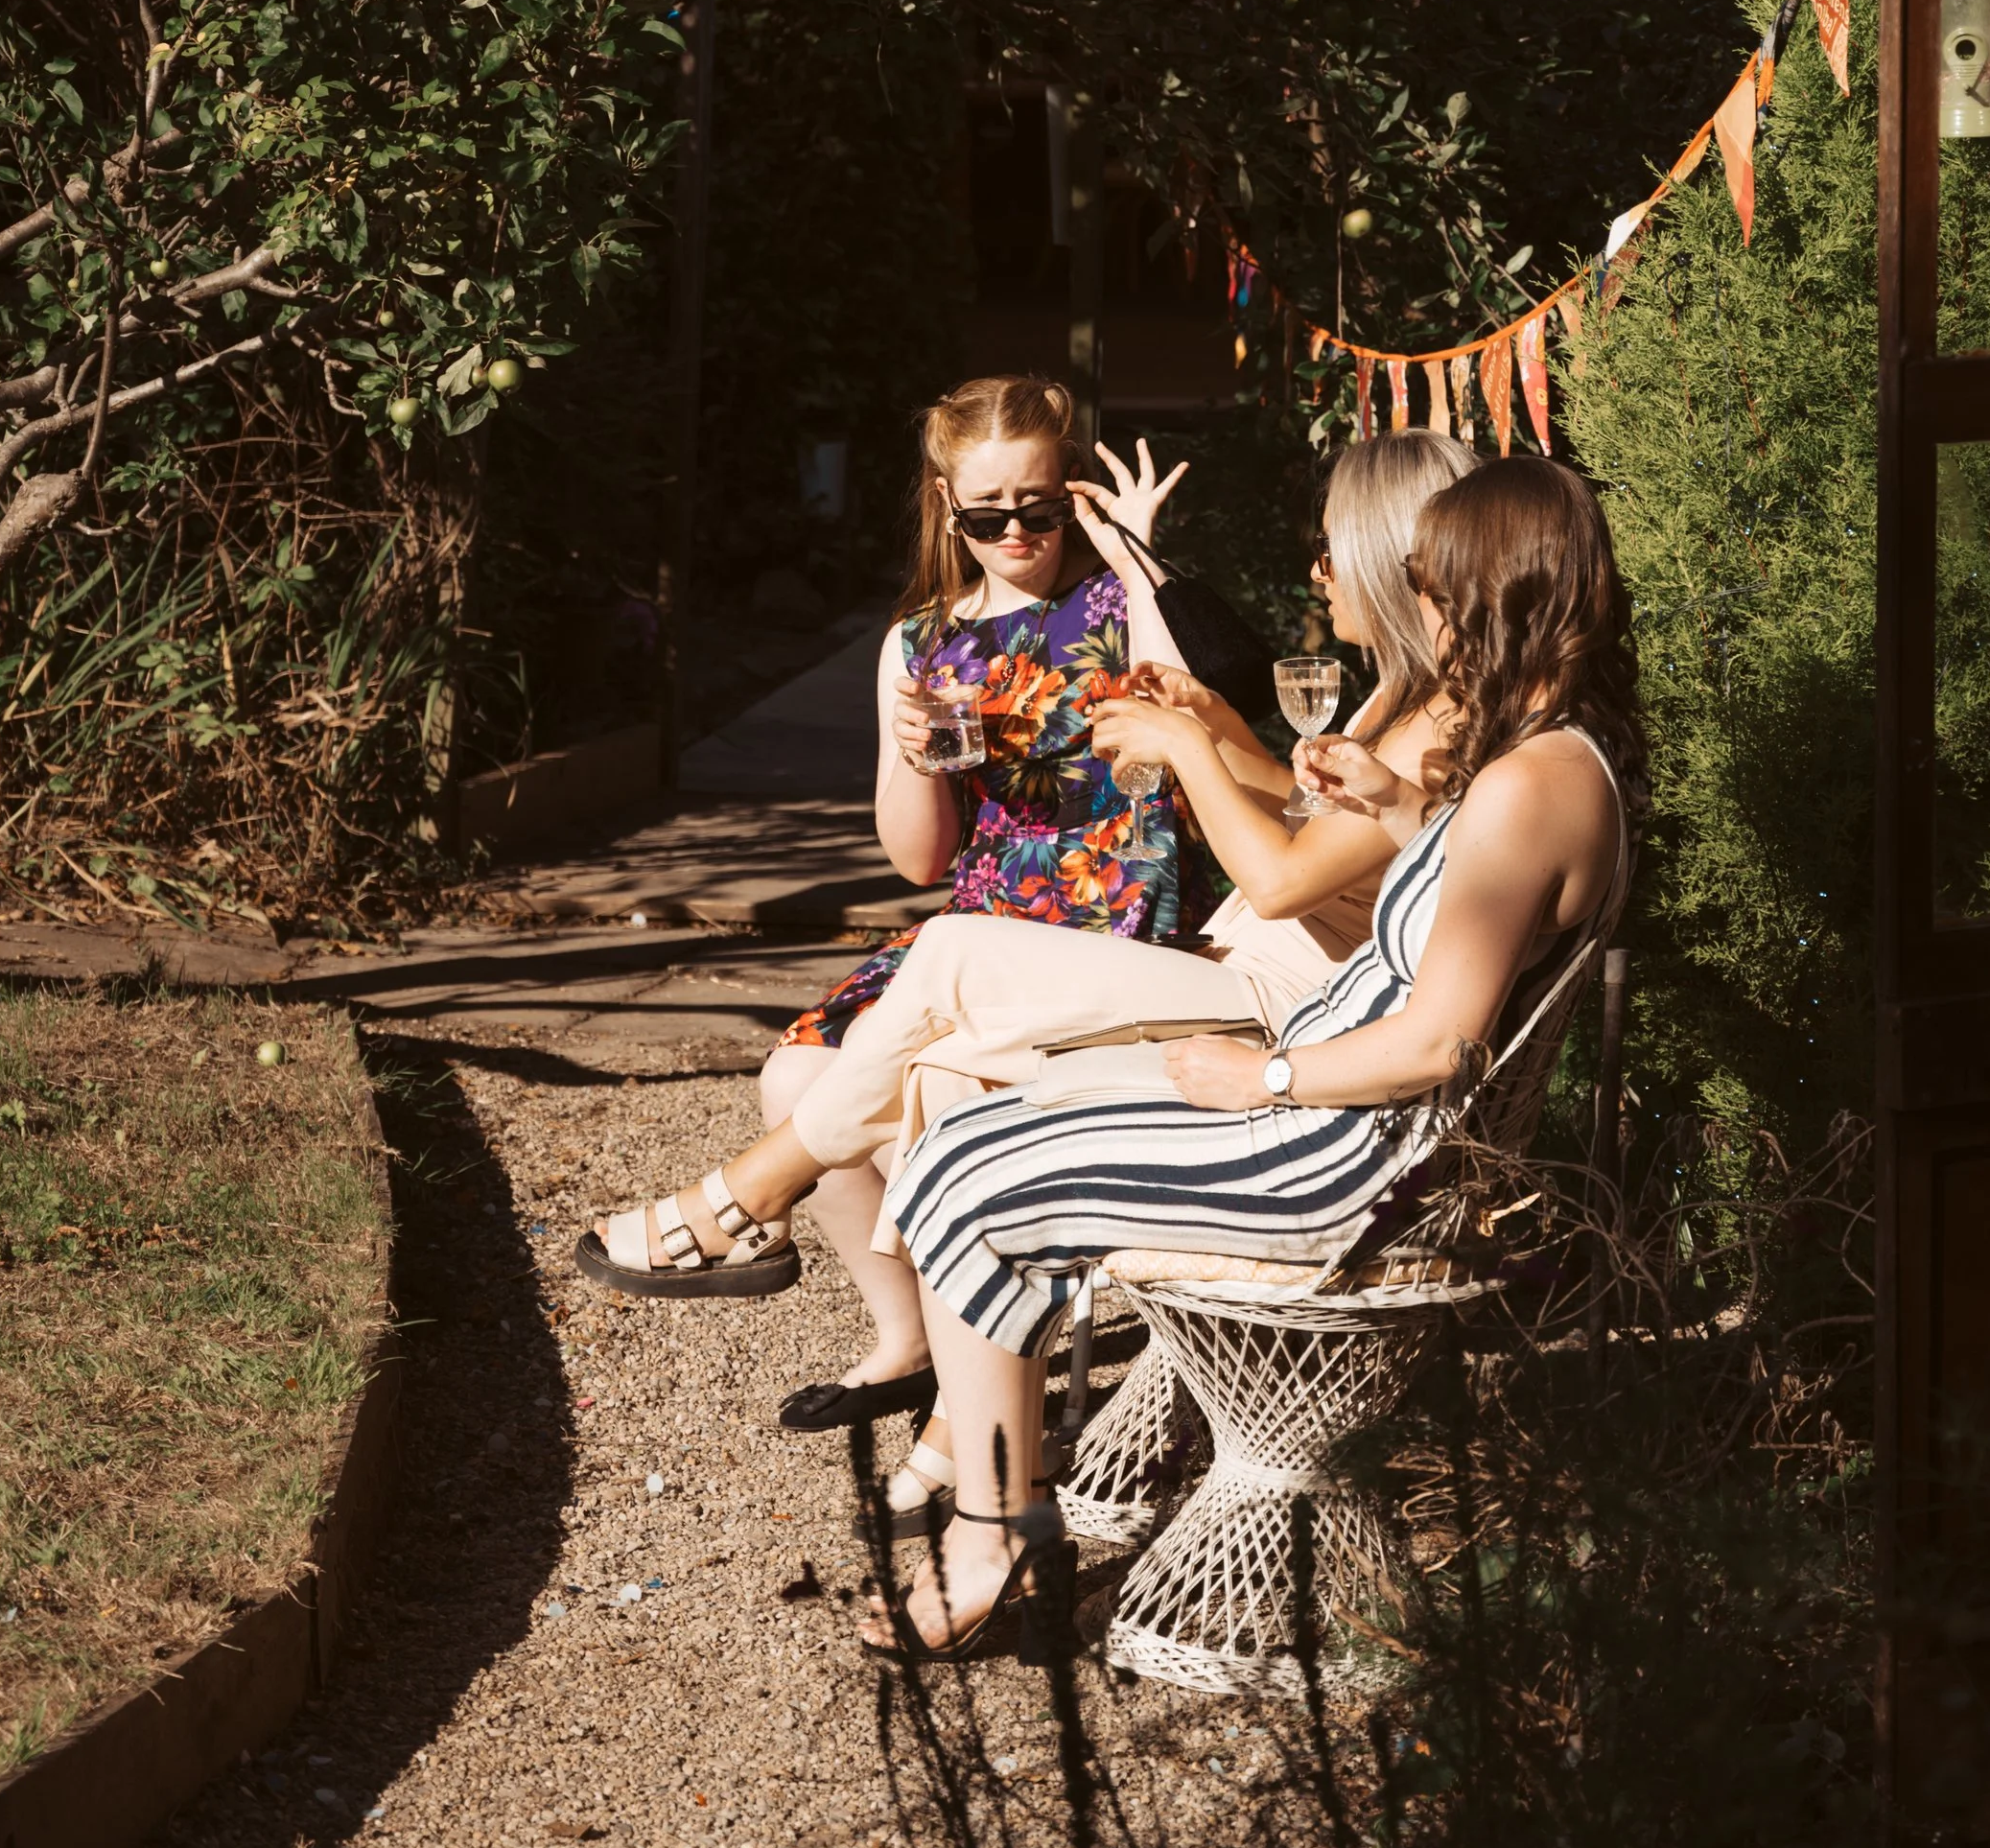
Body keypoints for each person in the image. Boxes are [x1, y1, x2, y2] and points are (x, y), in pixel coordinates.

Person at [577, 424, 1473, 1516]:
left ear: (1393, 557)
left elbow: (1286, 876)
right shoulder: (1392, 701)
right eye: (983, 512)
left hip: (1261, 991)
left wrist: (1185, 716)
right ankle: (967, 1431)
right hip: (1233, 961)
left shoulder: (1433, 722)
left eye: (1333, 547)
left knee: (947, 961)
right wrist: (1212, 728)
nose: (1317, 568)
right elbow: (1292, 817)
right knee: (939, 1074)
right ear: (945, 506)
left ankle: (740, 1198)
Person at [864, 456, 1647, 1658]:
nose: (1421, 612)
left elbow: (1439, 1038)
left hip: (1339, 1159)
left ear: (1494, 597)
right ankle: (1002, 1511)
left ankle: (993, 1529)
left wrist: (1262, 1078)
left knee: (962, 1179)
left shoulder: (1530, 787)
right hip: (1343, 1124)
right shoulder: (1551, 758)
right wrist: (1388, 804)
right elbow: (1466, 893)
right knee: (965, 1138)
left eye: (1435, 588)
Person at [574, 374, 1267, 1394]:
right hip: (987, 911)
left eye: (1039, 504)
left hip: (1127, 908)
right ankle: (907, 1341)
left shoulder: (1127, 599)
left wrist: (1133, 549)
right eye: (989, 514)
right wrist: (910, 752)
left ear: (1072, 485)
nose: (1017, 531)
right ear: (948, 504)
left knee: (935, 1099)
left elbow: (1196, 733)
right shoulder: (925, 640)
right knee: (794, 1078)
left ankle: (974, 1361)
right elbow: (917, 861)